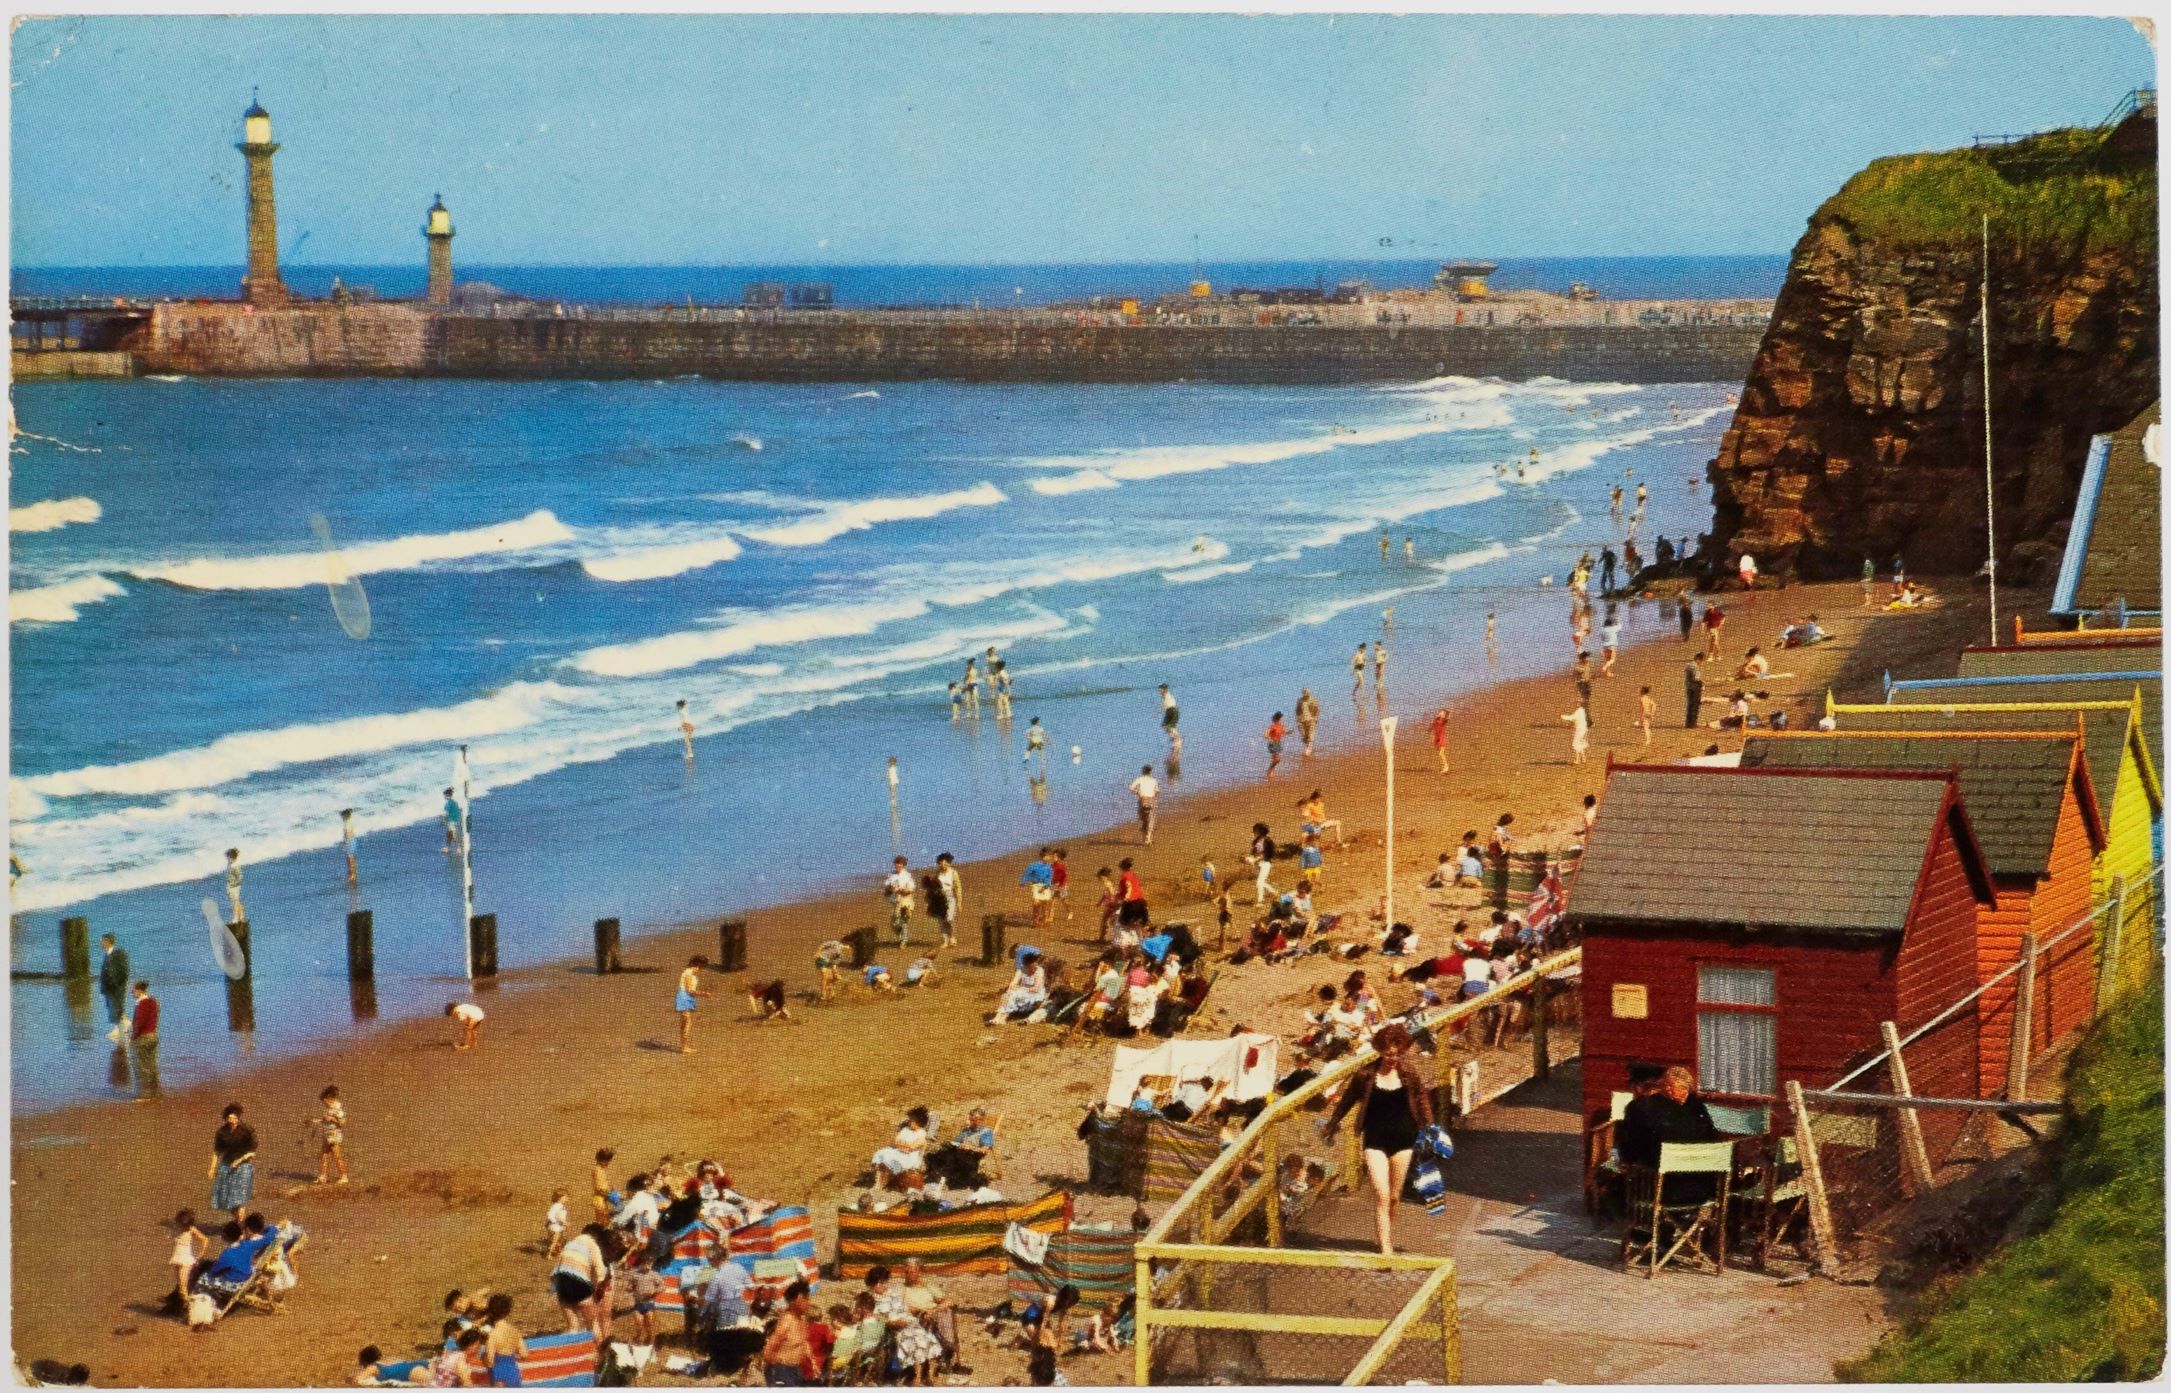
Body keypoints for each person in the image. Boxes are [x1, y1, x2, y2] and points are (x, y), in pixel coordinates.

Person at [1321, 1023, 1436, 1255]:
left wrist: (1430, 1127)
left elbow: (1422, 1099)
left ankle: (1386, 1234)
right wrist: (1333, 1123)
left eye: (1397, 1053)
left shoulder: (1409, 1074)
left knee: (1394, 1197)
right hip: (1375, 1138)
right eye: (1388, 1053)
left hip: (1404, 1138)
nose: (1392, 1058)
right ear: (1380, 1050)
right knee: (1382, 1194)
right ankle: (1385, 1246)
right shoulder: (1365, 1074)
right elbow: (1347, 1100)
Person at [1616, 1065, 1722, 1199]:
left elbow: (1629, 1153)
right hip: (1704, 1189)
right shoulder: (1697, 1106)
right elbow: (1713, 1139)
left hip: (1660, 1190)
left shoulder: (1639, 1107)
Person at [867, 1265, 942, 1387]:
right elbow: (878, 1318)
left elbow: (906, 1308)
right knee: (915, 1340)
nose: (882, 1285)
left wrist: (920, 1311)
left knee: (929, 1338)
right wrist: (895, 1323)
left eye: (884, 1282)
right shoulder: (871, 1300)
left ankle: (930, 1375)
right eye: (879, 1283)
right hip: (896, 1327)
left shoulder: (893, 1292)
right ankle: (917, 1378)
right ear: (872, 1284)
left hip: (909, 1321)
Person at [552, 1224, 616, 1338]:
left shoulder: (570, 1243)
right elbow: (599, 1270)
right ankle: (602, 1351)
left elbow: (559, 1264)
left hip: (560, 1282)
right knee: (592, 1323)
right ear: (597, 1237)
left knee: (572, 1326)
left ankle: (573, 1347)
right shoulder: (592, 1245)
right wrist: (600, 1287)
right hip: (578, 1282)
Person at [762, 1280, 816, 1386]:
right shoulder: (786, 1321)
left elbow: (804, 1342)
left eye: (807, 1298)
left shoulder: (801, 1320)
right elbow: (769, 1347)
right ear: (793, 1301)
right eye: (804, 1299)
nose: (808, 1303)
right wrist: (775, 1368)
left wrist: (812, 1361)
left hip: (796, 1369)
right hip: (782, 1371)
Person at [208, 1103, 256, 1221]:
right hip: (226, 1167)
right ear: (226, 1118)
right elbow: (217, 1152)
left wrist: (239, 1160)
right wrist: (212, 1168)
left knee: (239, 1200)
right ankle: (239, 1222)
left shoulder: (247, 1130)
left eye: (234, 1118)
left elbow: (252, 1152)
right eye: (230, 1118)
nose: (232, 1120)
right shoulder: (221, 1133)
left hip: (244, 1167)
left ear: (238, 1117)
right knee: (227, 1199)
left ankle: (241, 1226)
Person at [483, 1294, 529, 1387]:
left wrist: (482, 1357)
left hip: (499, 1373)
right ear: (507, 1312)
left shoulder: (493, 1334)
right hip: (513, 1371)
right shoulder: (515, 1331)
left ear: (490, 1313)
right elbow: (524, 1354)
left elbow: (490, 1361)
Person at [168, 1208, 207, 1310]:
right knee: (181, 1286)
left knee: (183, 1286)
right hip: (176, 1257)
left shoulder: (191, 1229)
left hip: (186, 1260)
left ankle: (189, 1308)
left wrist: (200, 1255)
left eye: (186, 1225)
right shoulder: (176, 1228)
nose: (184, 1227)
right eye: (182, 1224)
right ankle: (185, 1305)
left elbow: (205, 1240)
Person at [128, 980, 160, 1101]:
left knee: (141, 1067)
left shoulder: (141, 1004)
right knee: (152, 1066)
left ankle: (145, 1095)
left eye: (133, 990)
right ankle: (155, 1092)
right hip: (153, 1036)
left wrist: (132, 1037)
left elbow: (139, 1023)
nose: (132, 992)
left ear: (139, 990)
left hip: (143, 1038)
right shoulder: (153, 1002)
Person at [673, 956, 713, 1052]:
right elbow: (690, 990)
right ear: (698, 965)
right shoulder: (689, 973)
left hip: (686, 997)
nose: (700, 970)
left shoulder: (691, 974)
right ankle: (684, 1047)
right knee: (687, 1023)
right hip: (684, 997)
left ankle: (684, 1046)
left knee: (685, 1022)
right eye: (701, 967)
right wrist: (704, 994)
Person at [310, 1084, 348, 1183]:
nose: (324, 1104)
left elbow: (343, 1121)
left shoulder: (337, 1108)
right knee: (324, 1155)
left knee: (337, 1155)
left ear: (329, 1098)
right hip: (327, 1135)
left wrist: (332, 1119)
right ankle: (323, 1176)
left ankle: (344, 1176)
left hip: (334, 1135)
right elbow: (325, 1120)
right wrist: (316, 1121)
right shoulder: (328, 1108)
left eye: (324, 1102)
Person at [98, 932, 131, 1036]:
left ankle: (120, 1028)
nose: (101, 943)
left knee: (117, 1007)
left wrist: (118, 984)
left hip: (117, 987)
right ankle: (124, 1025)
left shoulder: (119, 953)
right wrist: (104, 988)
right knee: (113, 1007)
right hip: (109, 988)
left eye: (102, 941)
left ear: (108, 941)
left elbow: (124, 971)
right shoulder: (107, 954)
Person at [1020, 849, 1056, 930]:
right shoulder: (1033, 865)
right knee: (1036, 903)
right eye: (1047, 856)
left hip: (1045, 886)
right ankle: (1035, 921)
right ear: (1043, 857)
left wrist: (1045, 887)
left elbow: (1049, 878)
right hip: (1036, 885)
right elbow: (1027, 874)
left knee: (1046, 903)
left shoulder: (1049, 867)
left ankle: (1044, 919)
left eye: (1049, 856)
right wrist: (1023, 881)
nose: (1049, 858)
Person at [884, 856, 916, 944]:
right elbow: (887, 885)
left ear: (903, 865)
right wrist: (891, 888)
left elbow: (911, 888)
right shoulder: (891, 874)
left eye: (900, 864)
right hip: (895, 900)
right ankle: (901, 935)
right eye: (897, 863)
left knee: (903, 918)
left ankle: (904, 940)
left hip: (905, 899)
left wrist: (901, 890)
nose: (898, 865)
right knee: (895, 922)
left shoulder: (907, 875)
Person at [934, 853, 963, 947]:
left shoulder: (953, 873)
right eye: (941, 863)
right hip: (939, 899)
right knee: (941, 920)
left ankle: (952, 937)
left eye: (945, 863)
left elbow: (958, 887)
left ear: (949, 863)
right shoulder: (938, 873)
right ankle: (945, 940)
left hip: (950, 897)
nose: (943, 864)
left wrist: (959, 902)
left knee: (949, 919)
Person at [1245, 823, 1278, 905]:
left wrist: (1256, 859)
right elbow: (1253, 852)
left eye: (1256, 830)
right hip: (1257, 864)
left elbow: (1268, 854)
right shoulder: (1255, 841)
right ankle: (1273, 892)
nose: (1254, 832)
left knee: (1259, 882)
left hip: (1265, 864)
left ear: (1261, 831)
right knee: (1260, 881)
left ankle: (1260, 900)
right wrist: (1250, 858)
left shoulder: (1268, 841)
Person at [1129, 765, 1158, 845]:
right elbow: (1157, 791)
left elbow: (1131, 788)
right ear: (1150, 772)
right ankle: (1148, 837)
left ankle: (1144, 839)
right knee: (1151, 818)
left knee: (1142, 818)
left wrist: (1138, 792)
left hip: (1142, 799)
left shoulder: (1139, 779)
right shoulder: (1153, 780)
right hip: (1151, 800)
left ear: (1143, 771)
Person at [589, 1149, 616, 1227]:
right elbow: (599, 1189)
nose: (609, 1163)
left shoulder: (600, 1170)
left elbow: (605, 1186)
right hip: (600, 1200)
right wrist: (612, 1197)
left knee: (605, 1221)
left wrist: (611, 1189)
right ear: (603, 1161)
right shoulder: (598, 1171)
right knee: (603, 1223)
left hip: (601, 1199)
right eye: (608, 1161)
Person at [544, 1189, 570, 1259]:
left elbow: (560, 1216)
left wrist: (564, 1223)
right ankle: (548, 1254)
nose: (567, 1198)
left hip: (557, 1227)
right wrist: (557, 1222)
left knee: (558, 1240)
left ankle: (558, 1252)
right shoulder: (557, 1206)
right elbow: (550, 1215)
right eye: (566, 1197)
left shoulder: (560, 1206)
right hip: (555, 1227)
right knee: (554, 1242)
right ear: (560, 1198)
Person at [1296, 687, 1320, 756]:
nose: (1306, 693)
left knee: (1311, 734)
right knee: (1304, 735)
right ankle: (1307, 747)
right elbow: (1297, 710)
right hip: (1302, 720)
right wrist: (1297, 719)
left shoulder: (1313, 700)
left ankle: (1309, 748)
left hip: (1311, 719)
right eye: (1304, 692)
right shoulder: (1300, 700)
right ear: (1303, 693)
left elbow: (1317, 710)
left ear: (1309, 692)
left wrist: (1316, 718)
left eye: (1307, 692)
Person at [223, 847, 245, 924]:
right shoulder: (230, 864)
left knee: (235, 902)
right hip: (230, 885)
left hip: (235, 886)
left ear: (232, 857)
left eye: (228, 857)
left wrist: (236, 884)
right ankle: (241, 916)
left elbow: (239, 877)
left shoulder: (235, 866)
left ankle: (236, 918)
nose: (227, 859)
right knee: (236, 901)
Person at [1262, 711, 1287, 779]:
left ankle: (1271, 770)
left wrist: (1289, 731)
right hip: (1273, 744)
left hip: (1278, 744)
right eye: (1282, 718)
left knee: (1275, 759)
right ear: (1279, 719)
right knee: (1277, 759)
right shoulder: (1273, 726)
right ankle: (1269, 770)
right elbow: (1265, 734)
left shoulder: (1281, 726)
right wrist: (1269, 739)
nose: (1283, 719)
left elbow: (1284, 732)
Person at [1684, 655, 1704, 730]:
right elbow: (1697, 678)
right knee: (1695, 706)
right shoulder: (1695, 667)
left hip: (1689, 688)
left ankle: (1688, 723)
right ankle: (1693, 723)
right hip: (1695, 688)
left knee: (1690, 706)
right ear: (1698, 659)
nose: (1701, 663)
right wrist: (1702, 683)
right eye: (1701, 661)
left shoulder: (1688, 665)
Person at [1600, 610, 1622, 676]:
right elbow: (1620, 627)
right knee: (1612, 660)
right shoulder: (1613, 628)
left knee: (1608, 660)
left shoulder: (1603, 630)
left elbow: (1602, 638)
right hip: (1611, 646)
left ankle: (1608, 673)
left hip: (1604, 647)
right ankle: (1605, 667)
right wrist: (1618, 619)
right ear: (1611, 623)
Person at [442, 789, 462, 854]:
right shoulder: (454, 802)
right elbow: (458, 811)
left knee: (453, 835)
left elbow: (446, 814)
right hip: (455, 820)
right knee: (450, 834)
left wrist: (443, 820)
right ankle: (447, 848)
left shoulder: (448, 803)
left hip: (451, 821)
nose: (444, 797)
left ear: (447, 795)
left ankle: (459, 848)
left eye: (444, 795)